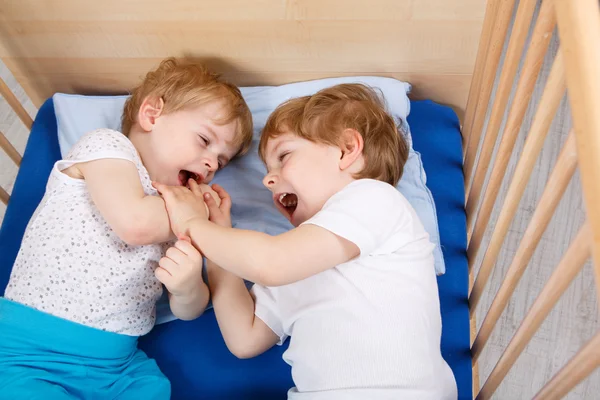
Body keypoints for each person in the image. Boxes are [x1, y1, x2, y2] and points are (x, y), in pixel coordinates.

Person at [154, 83, 457, 399]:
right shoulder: (297, 257)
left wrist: (191, 224)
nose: (267, 180)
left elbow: (271, 263)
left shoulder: (375, 199)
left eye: (283, 156)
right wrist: (217, 236)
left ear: (347, 150)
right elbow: (244, 338)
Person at [0, 57, 253, 399]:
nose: (211, 164)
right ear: (151, 115)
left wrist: (186, 286)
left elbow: (190, 311)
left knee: (152, 387)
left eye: (221, 161)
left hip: (115, 367)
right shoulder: (107, 149)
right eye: (205, 141)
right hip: (30, 353)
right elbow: (134, 224)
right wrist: (197, 220)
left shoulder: (180, 209)